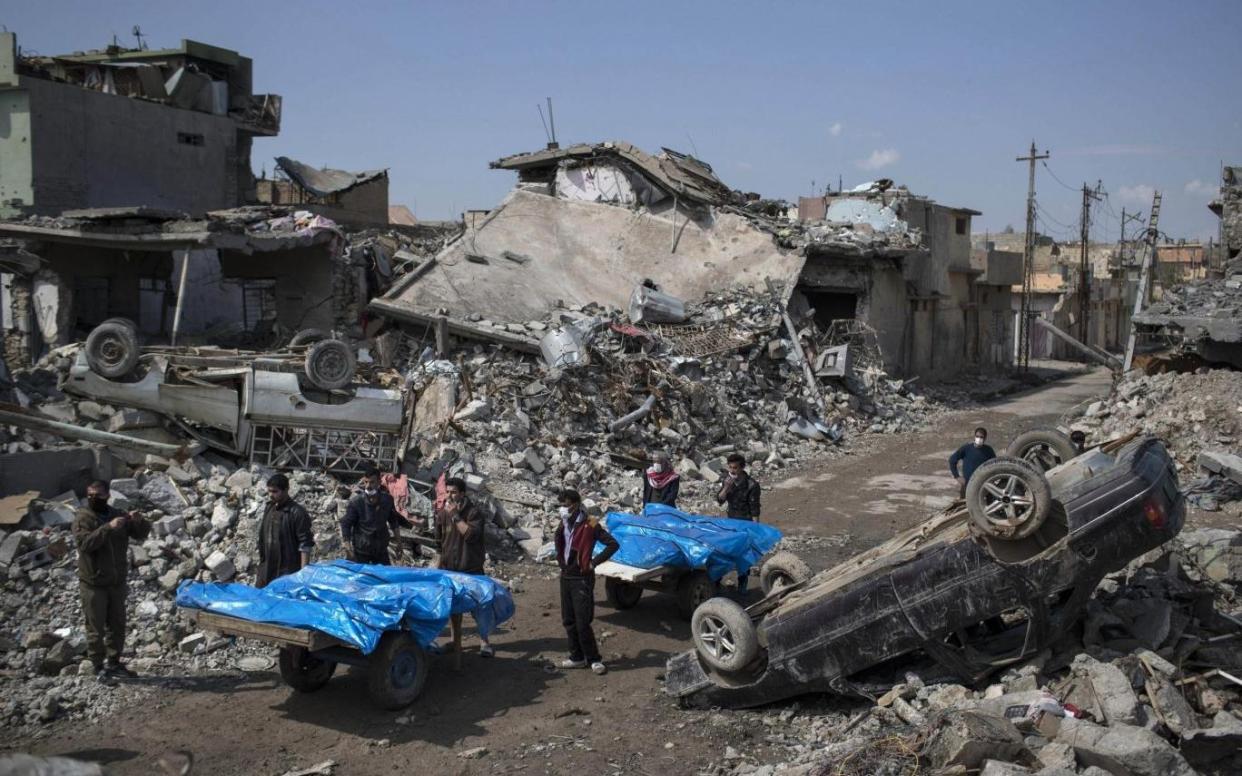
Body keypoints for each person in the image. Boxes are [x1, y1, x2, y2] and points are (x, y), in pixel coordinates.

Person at [72, 480, 150, 683]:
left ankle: (114, 662)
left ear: (107, 495)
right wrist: (107, 528)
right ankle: (98, 667)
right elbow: (85, 544)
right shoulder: (83, 518)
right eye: (89, 495)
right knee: (95, 628)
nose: (92, 499)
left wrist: (138, 521)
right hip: (93, 583)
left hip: (116, 582)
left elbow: (140, 535)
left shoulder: (116, 514)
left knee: (117, 625)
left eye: (97, 495)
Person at [554, 488, 619, 675]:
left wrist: (593, 563)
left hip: (581, 578)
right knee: (569, 620)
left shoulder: (590, 523)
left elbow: (613, 544)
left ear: (574, 504)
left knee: (583, 621)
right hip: (566, 576)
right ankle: (577, 657)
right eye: (561, 505)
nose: (562, 509)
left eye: (565, 505)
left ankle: (594, 659)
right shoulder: (564, 522)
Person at [435, 477, 492, 660]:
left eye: (453, 492)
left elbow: (469, 535)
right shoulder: (443, 513)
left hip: (471, 567)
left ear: (462, 493)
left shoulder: (473, 513)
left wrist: (455, 516)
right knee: (454, 609)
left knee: (479, 607)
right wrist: (440, 563)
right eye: (448, 492)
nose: (450, 496)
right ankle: (455, 641)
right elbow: (439, 540)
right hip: (451, 568)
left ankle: (485, 642)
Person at [256, 473, 315, 588]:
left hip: (287, 570)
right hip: (267, 568)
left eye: (275, 492)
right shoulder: (269, 508)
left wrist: (302, 575)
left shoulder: (297, 513)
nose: (271, 495)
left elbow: (305, 545)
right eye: (269, 491)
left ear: (286, 490)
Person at [340, 464, 405, 565]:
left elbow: (393, 522)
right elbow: (346, 524)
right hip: (362, 550)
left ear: (379, 482)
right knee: (360, 579)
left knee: (384, 577)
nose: (368, 486)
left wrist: (399, 543)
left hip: (381, 550)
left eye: (372, 482)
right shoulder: (356, 502)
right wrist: (348, 548)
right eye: (366, 482)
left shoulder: (387, 500)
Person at [949, 427, 997, 497]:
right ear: (974, 437)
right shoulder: (966, 448)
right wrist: (957, 476)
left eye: (981, 437)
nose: (979, 439)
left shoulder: (988, 450)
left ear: (985, 438)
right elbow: (952, 460)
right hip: (967, 485)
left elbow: (995, 465)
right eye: (977, 436)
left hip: (982, 485)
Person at [717, 453, 761, 521]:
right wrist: (725, 488)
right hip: (732, 519)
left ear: (742, 468)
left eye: (735, 468)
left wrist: (755, 529)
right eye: (730, 467)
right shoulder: (727, 481)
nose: (731, 471)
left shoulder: (751, 485)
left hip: (746, 521)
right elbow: (720, 500)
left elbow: (755, 510)